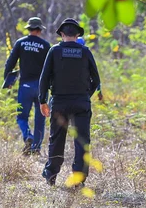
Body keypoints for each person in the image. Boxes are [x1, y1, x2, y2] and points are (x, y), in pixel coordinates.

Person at [39, 18, 101, 186]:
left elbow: (44, 79)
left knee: (57, 139)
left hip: (59, 103)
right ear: (77, 35)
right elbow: (96, 79)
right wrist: (86, 94)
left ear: (62, 34)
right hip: (81, 103)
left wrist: (42, 101)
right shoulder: (85, 51)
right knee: (82, 141)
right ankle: (79, 179)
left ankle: (51, 174)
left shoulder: (54, 51)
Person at [4, 17, 51, 155]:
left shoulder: (21, 43)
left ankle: (27, 135)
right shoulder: (46, 45)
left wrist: (7, 80)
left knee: (21, 117)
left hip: (25, 86)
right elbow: (51, 67)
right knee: (40, 119)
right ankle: (36, 148)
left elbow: (10, 62)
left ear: (29, 29)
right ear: (40, 30)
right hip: (41, 87)